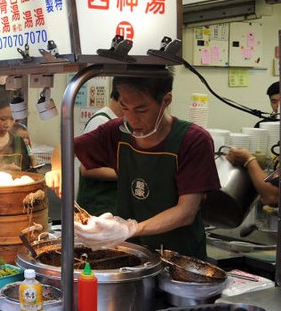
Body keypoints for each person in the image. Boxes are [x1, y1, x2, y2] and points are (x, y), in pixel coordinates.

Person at [46, 73, 220, 259]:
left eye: (141, 110)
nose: (132, 119)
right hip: (132, 254)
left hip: (181, 259)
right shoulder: (116, 132)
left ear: (166, 100)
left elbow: (186, 212)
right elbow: (64, 148)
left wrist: (130, 229)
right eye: (124, 108)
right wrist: (57, 169)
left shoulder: (193, 140)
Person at [75, 89, 124, 216]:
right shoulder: (101, 121)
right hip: (96, 206)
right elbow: (86, 169)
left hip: (111, 204)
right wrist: (127, 174)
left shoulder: (119, 122)